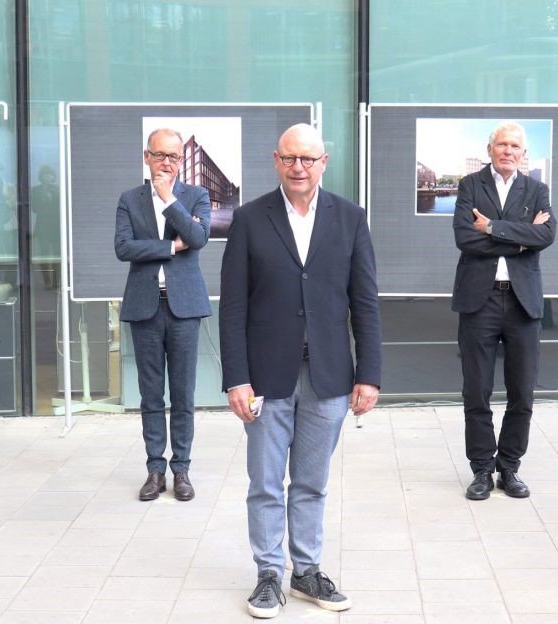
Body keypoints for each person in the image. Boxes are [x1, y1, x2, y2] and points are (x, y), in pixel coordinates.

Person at [220, 123, 381, 619]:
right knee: (265, 482)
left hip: (330, 377)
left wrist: (369, 373)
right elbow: (232, 307)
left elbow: (365, 302)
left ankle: (307, 571)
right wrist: (236, 377)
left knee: (312, 482)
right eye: (290, 158)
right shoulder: (249, 219)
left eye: (308, 159)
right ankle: (269, 574)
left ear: (323, 162)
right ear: (276, 160)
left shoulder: (351, 219)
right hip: (267, 375)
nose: (298, 168)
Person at [451, 120, 555, 501]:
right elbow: (465, 238)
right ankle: (481, 470)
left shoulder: (536, 189)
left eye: (515, 146)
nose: (508, 151)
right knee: (476, 390)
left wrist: (492, 228)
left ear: (522, 153)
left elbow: (547, 235)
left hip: (522, 302)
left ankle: (509, 467)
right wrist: (521, 236)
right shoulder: (469, 185)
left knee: (522, 391)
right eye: (502, 145)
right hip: (480, 301)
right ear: (490, 148)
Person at [114, 128, 212, 501]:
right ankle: (155, 469)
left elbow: (199, 238)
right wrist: (171, 246)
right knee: (151, 393)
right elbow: (123, 248)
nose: (167, 162)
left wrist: (169, 198)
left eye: (174, 156)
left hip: (184, 307)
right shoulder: (129, 199)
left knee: (183, 393)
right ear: (147, 156)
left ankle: (182, 469)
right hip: (145, 306)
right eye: (160, 155)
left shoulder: (195, 195)